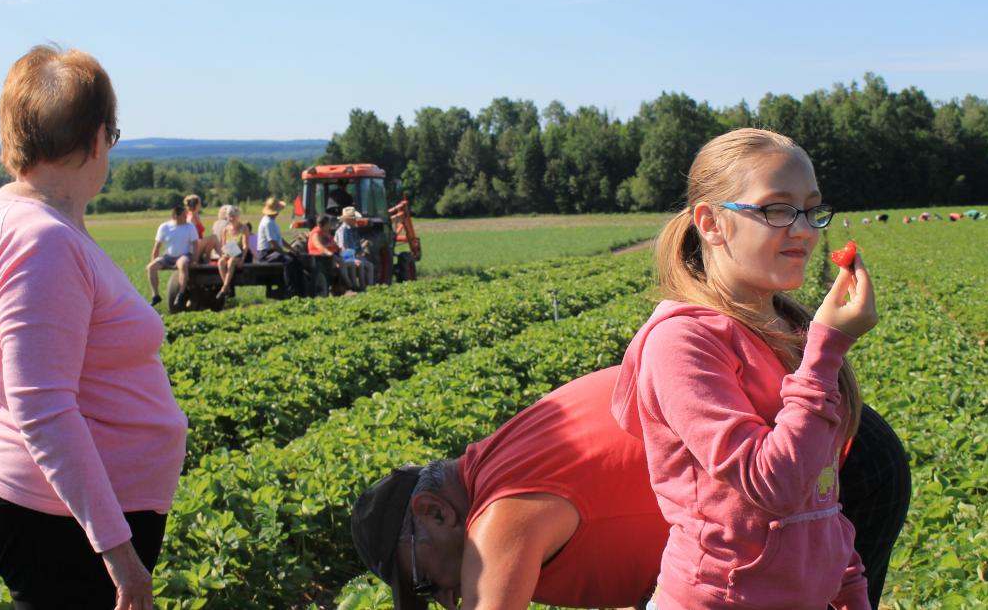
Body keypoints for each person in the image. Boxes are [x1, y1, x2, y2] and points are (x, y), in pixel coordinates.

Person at [351, 368, 910, 610]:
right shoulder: (498, 460)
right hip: (812, 451)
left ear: (433, 511)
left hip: (825, 465)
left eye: (426, 582)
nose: (448, 599)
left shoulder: (503, 514)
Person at [611, 128, 883, 609]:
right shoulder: (682, 342)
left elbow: (819, 499)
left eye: (811, 209)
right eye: (776, 209)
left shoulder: (787, 330)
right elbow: (772, 485)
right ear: (711, 223)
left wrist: (850, 588)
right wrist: (826, 350)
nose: (802, 229)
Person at [0, 45, 187, 609]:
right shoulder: (39, 240)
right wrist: (118, 551)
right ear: (98, 138)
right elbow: (43, 406)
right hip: (67, 521)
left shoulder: (21, 218)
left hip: (66, 511)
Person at [146, 203, 198, 308]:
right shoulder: (164, 227)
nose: (186, 217)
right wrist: (153, 260)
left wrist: (195, 260)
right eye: (184, 215)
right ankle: (155, 295)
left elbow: (195, 245)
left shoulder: (190, 227)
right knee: (151, 267)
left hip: (184, 255)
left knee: (182, 264)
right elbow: (157, 246)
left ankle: (181, 294)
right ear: (175, 216)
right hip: (168, 256)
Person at [257, 197, 306, 297]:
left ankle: (301, 290)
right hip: (266, 254)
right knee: (289, 261)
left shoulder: (272, 221)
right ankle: (291, 291)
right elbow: (273, 242)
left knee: (295, 259)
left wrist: (291, 250)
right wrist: (283, 253)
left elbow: (280, 239)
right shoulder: (268, 222)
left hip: (273, 252)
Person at [307, 215, 360, 295]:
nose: (330, 224)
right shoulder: (316, 233)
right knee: (342, 262)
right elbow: (319, 246)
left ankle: (353, 284)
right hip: (320, 255)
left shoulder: (326, 232)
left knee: (351, 264)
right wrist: (330, 253)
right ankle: (349, 284)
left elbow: (332, 244)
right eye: (329, 223)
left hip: (333, 254)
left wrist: (338, 250)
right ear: (325, 223)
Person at [335, 206, 375, 290]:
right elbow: (343, 247)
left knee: (370, 265)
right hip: (344, 256)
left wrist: (360, 254)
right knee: (360, 264)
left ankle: (371, 287)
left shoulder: (353, 230)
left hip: (354, 255)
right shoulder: (342, 230)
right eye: (354, 218)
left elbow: (357, 245)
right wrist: (353, 259)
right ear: (348, 219)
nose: (355, 220)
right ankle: (361, 286)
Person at [216, 206, 250, 300]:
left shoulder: (244, 228)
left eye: (233, 216)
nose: (231, 218)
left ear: (238, 216)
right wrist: (224, 254)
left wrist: (243, 258)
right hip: (229, 253)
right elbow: (223, 245)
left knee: (231, 262)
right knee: (221, 262)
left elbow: (245, 245)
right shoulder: (225, 230)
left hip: (240, 254)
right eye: (229, 216)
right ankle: (228, 287)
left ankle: (224, 289)